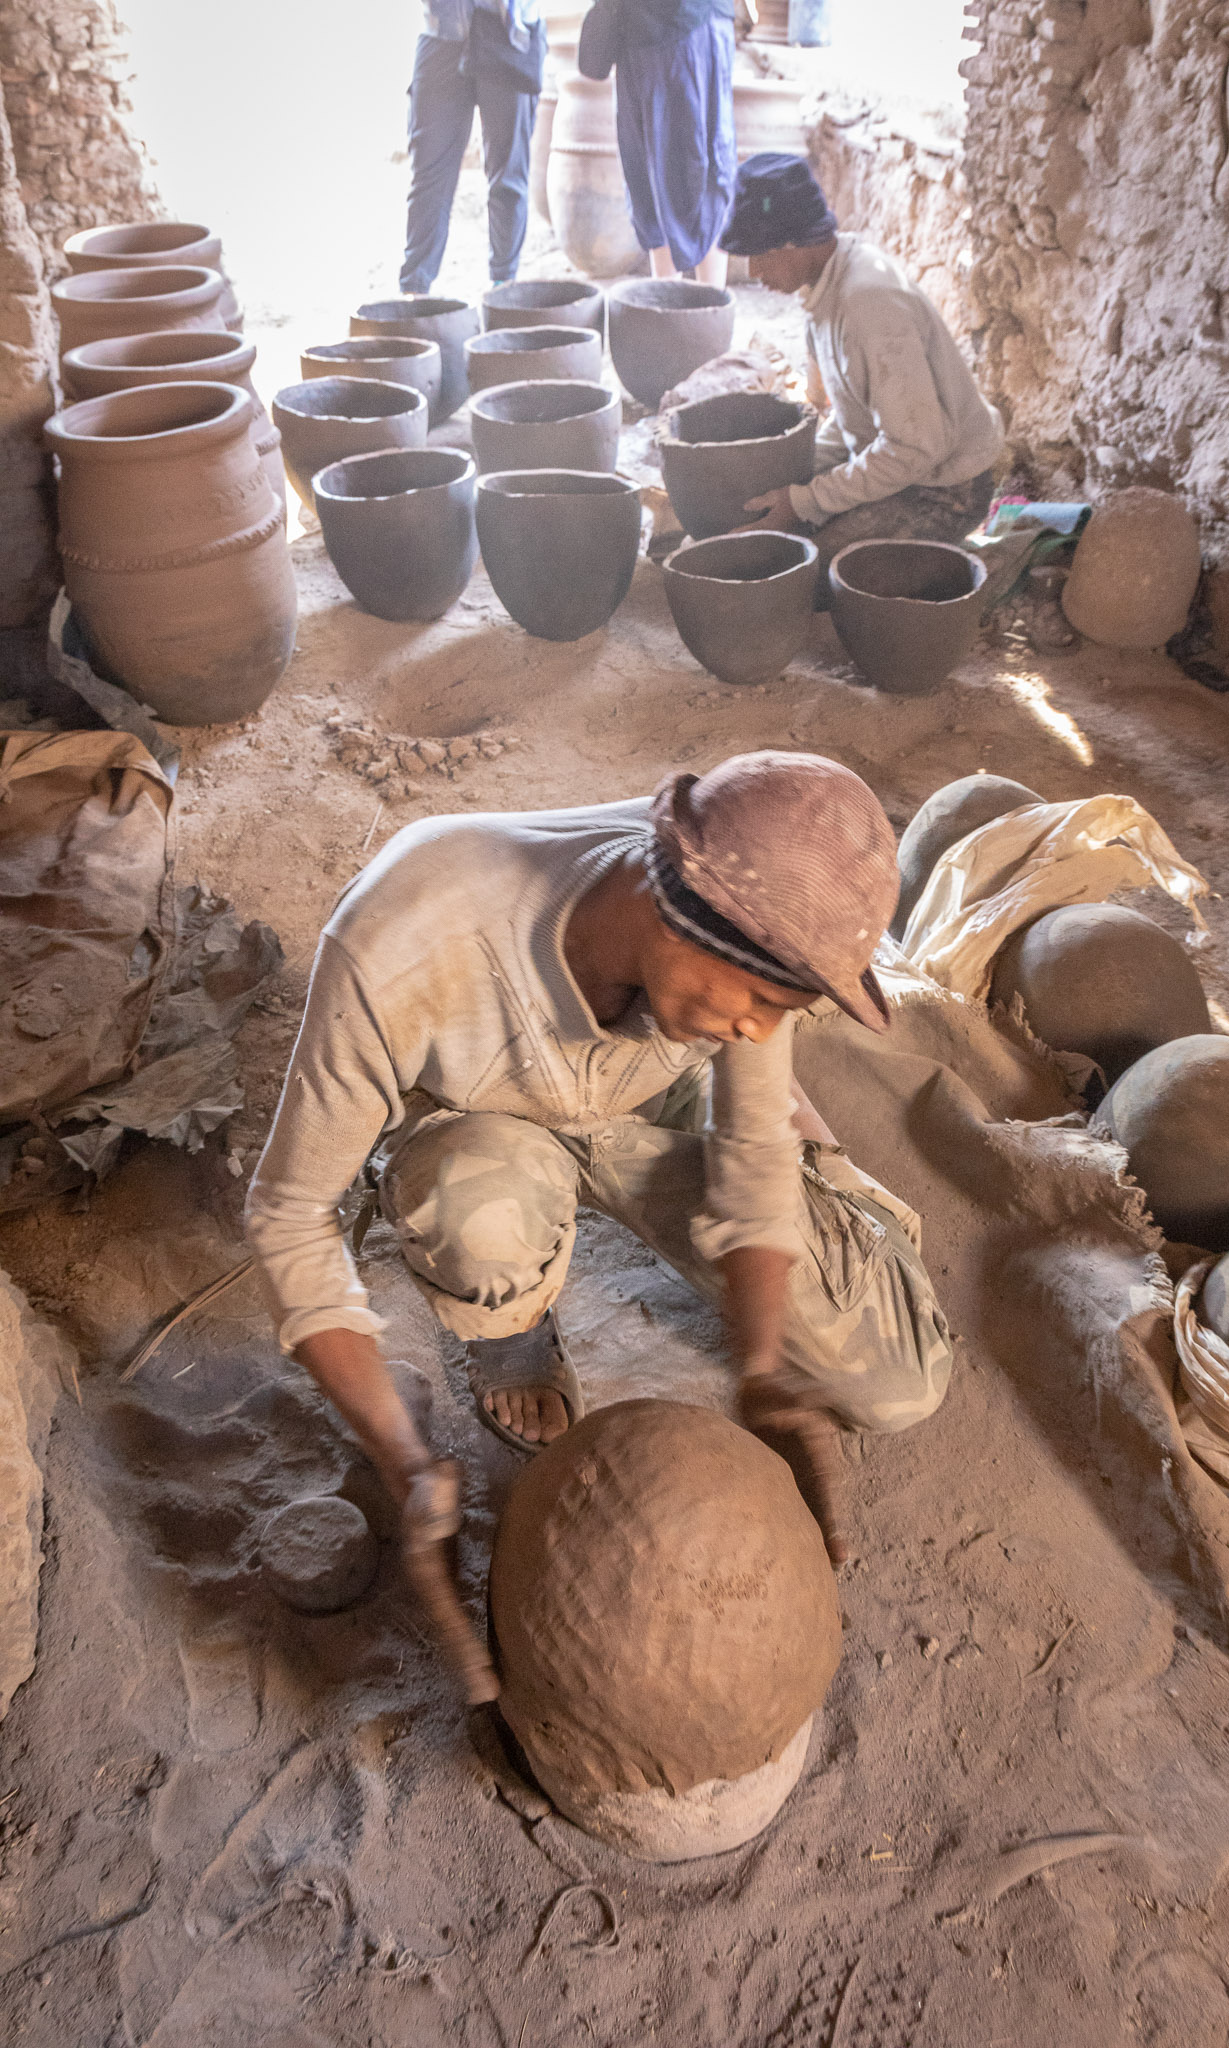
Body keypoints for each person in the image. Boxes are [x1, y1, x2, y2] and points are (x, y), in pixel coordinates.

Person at [247, 754, 953, 1668]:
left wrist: (764, 1364)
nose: (759, 1028)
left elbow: (751, 1149)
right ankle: (510, 1331)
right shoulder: (402, 943)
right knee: (471, 1198)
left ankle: (606, 1184)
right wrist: (404, 1459)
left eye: (783, 1012)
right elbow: (288, 1212)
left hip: (654, 1083)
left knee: (895, 1385)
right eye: (763, 1003)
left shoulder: (744, 927)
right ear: (673, 918)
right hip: (484, 1107)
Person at [719, 153, 1005, 576]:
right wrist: (799, 474)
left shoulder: (868, 305)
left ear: (793, 242)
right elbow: (854, 415)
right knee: (763, 504)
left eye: (759, 254)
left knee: (809, 570)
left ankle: (965, 565)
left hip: (946, 487)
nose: (753, 270)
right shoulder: (826, 282)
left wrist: (804, 501)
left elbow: (917, 448)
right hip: (898, 459)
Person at [400, 1, 546, 295]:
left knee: (509, 176)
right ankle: (414, 297)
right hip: (442, 34)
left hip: (510, 35)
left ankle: (504, 290)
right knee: (429, 173)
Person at [613, 0, 737, 286]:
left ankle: (710, 311)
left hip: (692, 26)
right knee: (648, 173)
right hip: (637, 31)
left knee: (701, 169)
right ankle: (667, 307)